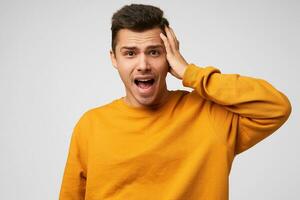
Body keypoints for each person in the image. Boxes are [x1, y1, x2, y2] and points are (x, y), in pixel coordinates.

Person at [59, 4, 291, 200]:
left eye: (154, 52)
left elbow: (275, 106)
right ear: (114, 58)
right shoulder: (91, 125)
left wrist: (190, 72)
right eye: (130, 53)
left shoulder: (208, 115)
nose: (143, 65)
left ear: (170, 56)